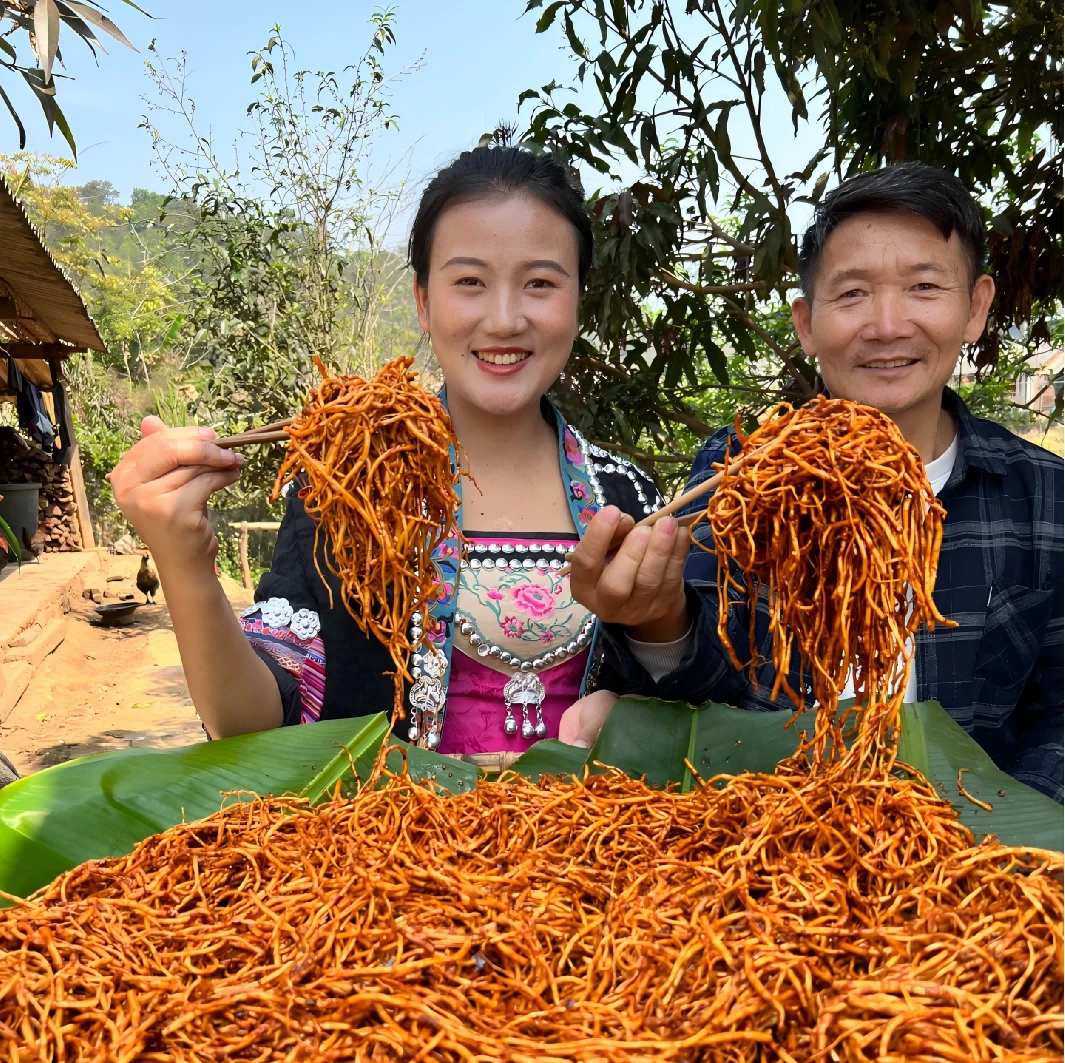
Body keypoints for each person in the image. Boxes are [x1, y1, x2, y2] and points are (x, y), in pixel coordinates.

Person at [107, 146, 666, 770]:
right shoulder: (347, 488)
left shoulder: (632, 503)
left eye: (540, 283)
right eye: (470, 282)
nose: (506, 319)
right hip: (393, 859)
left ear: (578, 302)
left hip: (595, 854)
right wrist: (185, 565)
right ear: (424, 304)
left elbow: (695, 703)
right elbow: (254, 723)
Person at [567, 161, 1064, 802]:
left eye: (923, 288)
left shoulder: (1043, 498)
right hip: (770, 853)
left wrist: (998, 846)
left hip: (973, 865)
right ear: (806, 323)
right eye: (852, 293)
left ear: (975, 309)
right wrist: (657, 622)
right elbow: (697, 702)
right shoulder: (742, 474)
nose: (887, 324)